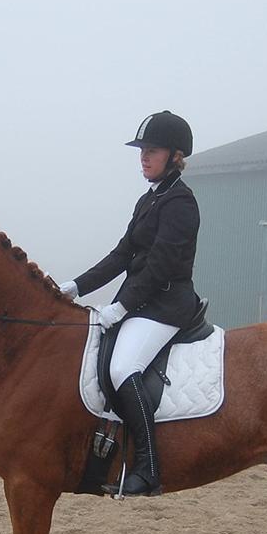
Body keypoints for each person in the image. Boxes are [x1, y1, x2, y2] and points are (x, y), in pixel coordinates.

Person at [58, 110, 201, 497]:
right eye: (142, 150)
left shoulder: (181, 202)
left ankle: (148, 467)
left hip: (166, 306)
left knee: (123, 368)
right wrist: (76, 286)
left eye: (152, 150)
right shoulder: (148, 200)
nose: (144, 157)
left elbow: (160, 265)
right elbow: (122, 254)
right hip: (142, 304)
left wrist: (120, 307)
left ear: (175, 156)